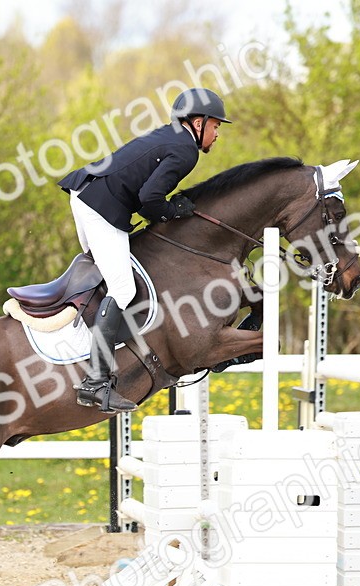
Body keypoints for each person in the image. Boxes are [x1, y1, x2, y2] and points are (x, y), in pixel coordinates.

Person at [57, 87, 232, 413]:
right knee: (123, 288)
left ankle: (81, 346)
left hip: (88, 193)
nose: (217, 133)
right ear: (198, 122)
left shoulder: (173, 137)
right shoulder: (185, 152)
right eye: (216, 125)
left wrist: (166, 206)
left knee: (108, 280)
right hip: (99, 205)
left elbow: (145, 193)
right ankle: (94, 382)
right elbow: (150, 198)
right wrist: (170, 211)